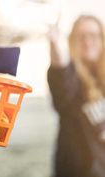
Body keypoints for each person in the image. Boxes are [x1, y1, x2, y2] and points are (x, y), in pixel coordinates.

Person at [48, 15, 105, 177]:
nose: (87, 42)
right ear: (72, 41)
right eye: (81, 37)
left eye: (93, 35)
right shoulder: (70, 76)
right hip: (77, 170)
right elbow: (60, 72)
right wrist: (55, 43)